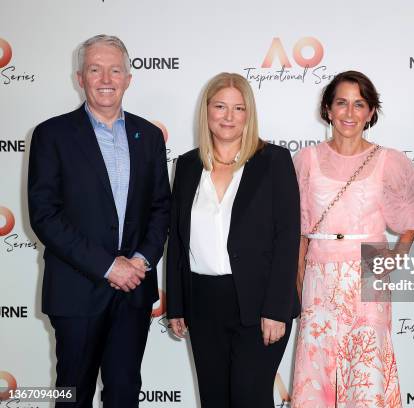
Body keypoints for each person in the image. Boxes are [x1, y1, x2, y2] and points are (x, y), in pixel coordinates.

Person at [27, 34, 170, 407]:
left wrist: (139, 262)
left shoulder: (150, 136)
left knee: (124, 395)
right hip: (77, 292)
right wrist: (108, 266)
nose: (106, 78)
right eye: (95, 69)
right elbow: (45, 216)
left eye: (115, 69)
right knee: (72, 395)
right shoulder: (51, 135)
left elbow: (161, 209)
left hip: (134, 292)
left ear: (128, 78)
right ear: (80, 78)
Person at [291, 71, 414, 407]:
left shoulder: (389, 160)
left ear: (370, 112)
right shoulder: (305, 160)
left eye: (359, 104)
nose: (349, 113)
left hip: (369, 273)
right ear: (328, 109)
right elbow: (300, 230)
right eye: (342, 103)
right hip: (318, 276)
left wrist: (396, 255)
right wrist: (297, 280)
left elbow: (412, 214)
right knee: (316, 367)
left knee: (365, 370)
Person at [165, 72, 300, 407]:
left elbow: (287, 239)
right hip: (203, 302)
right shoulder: (186, 165)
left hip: (259, 305)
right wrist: (177, 304)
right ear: (206, 111)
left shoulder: (274, 161)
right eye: (220, 106)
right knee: (214, 400)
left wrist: (276, 309)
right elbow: (178, 241)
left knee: (248, 399)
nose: (228, 117)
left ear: (248, 114)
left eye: (238, 109)